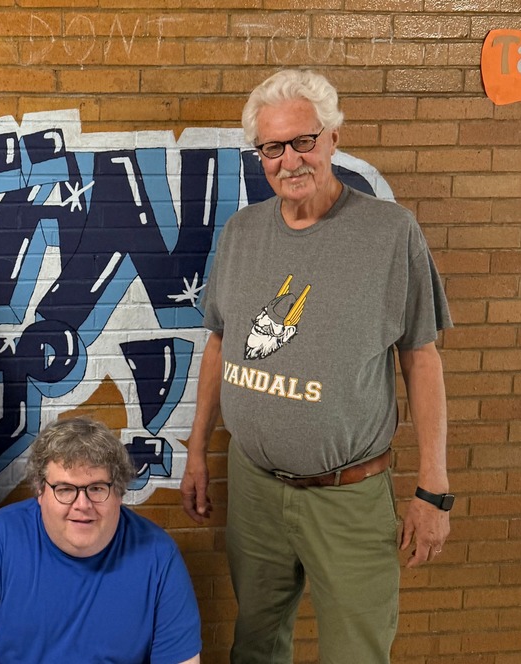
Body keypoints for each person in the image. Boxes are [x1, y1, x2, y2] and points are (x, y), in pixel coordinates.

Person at [179, 69, 454, 663]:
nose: (290, 160)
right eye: (273, 147)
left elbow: (422, 358)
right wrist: (197, 450)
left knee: (357, 653)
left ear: (332, 138)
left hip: (349, 496)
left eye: (304, 140)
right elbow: (220, 343)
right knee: (254, 645)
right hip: (254, 488)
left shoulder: (389, 232)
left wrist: (434, 488)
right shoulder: (242, 232)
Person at [0, 417, 202, 664]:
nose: (82, 505)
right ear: (40, 492)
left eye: (97, 488)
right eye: (65, 489)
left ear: (119, 492)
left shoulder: (158, 556)